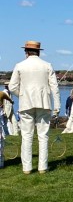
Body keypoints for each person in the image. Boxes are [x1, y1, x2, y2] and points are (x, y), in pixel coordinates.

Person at [9, 40, 61, 175]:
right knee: (43, 136)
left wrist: (21, 94)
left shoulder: (20, 65)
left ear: (26, 52)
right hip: (44, 103)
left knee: (26, 136)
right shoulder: (47, 65)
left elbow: (12, 87)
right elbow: (54, 87)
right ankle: (42, 167)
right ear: (38, 52)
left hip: (26, 103)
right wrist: (57, 107)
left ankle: (27, 168)